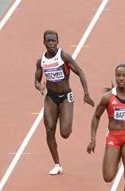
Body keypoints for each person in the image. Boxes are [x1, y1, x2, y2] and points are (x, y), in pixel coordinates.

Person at [34, 30, 94, 175]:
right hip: (51, 97)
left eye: (53, 41)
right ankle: (57, 164)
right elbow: (36, 80)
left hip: (66, 96)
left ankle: (63, 115)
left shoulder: (63, 56)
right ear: (44, 42)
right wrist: (40, 87)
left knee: (65, 133)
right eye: (48, 41)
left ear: (57, 41)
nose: (51, 43)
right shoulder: (41, 60)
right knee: (49, 130)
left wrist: (86, 93)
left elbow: (80, 72)